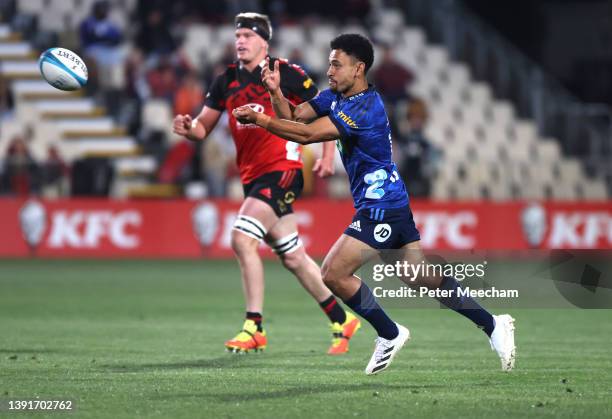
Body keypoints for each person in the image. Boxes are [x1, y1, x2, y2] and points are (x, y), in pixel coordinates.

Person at [233, 33, 516, 374]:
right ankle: (493, 324)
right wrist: (276, 93)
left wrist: (261, 119)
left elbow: (306, 136)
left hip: (381, 206)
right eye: (329, 63)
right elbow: (295, 118)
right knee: (419, 275)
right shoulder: (334, 97)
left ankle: (390, 332)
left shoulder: (366, 107)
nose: (330, 70)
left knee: (333, 273)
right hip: (391, 201)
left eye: (337, 64)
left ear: (359, 68)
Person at [173, 13, 361, 355]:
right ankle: (342, 319)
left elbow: (326, 109)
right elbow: (203, 128)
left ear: (264, 41)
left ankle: (254, 326)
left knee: (242, 238)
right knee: (293, 257)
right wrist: (189, 129)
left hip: (283, 169)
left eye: (247, 35)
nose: (240, 41)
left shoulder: (285, 72)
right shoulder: (226, 80)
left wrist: (328, 154)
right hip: (253, 177)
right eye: (237, 35)